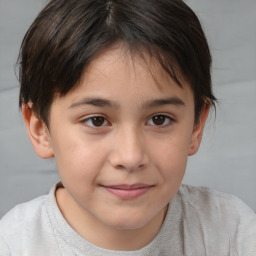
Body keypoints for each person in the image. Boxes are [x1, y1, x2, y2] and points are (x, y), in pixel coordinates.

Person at [0, 0, 255, 255]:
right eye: (96, 120)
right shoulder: (13, 244)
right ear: (40, 129)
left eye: (159, 119)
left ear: (196, 126)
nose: (131, 157)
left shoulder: (233, 233)